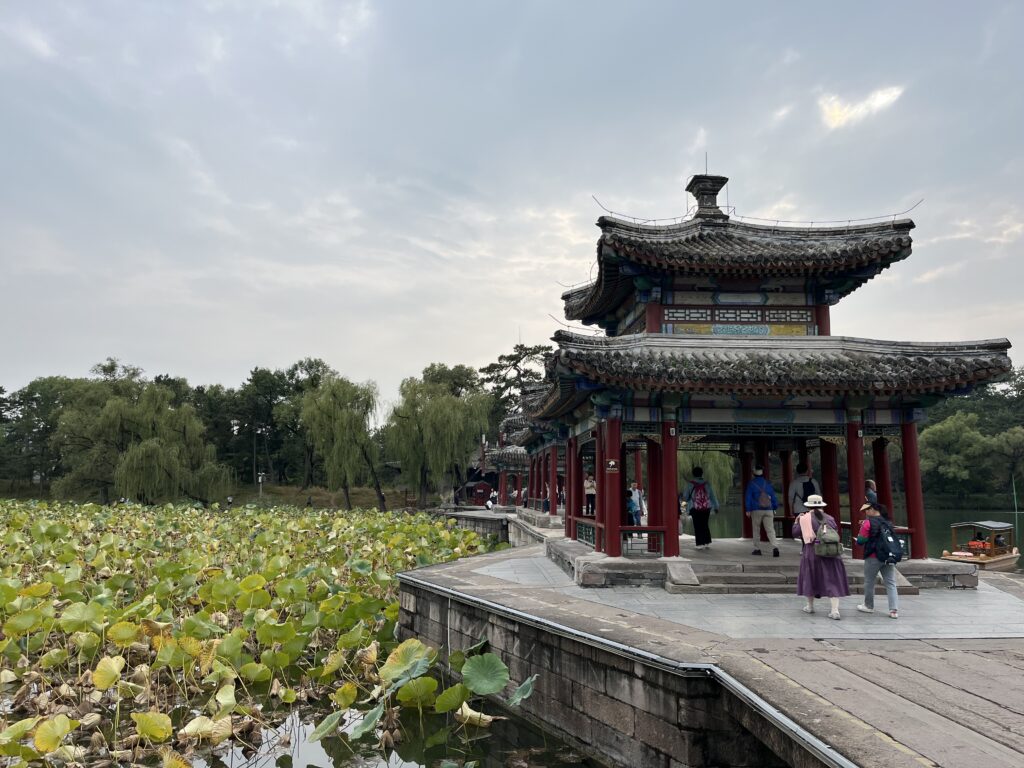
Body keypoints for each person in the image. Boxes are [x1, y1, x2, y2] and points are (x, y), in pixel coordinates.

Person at [792, 494, 849, 619]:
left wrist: (796, 522)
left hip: (811, 552)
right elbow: (835, 532)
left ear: (808, 506)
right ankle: (835, 610)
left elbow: (795, 533)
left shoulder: (804, 518)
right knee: (832, 580)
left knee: (810, 578)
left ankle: (810, 606)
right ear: (821, 505)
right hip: (830, 552)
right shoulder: (830, 518)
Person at [855, 502, 899, 619]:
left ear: (872, 509)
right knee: (890, 582)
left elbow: (860, 541)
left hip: (873, 557)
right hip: (888, 556)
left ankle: (868, 606)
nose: (866, 513)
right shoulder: (888, 522)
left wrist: (862, 530)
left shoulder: (868, 523)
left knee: (869, 581)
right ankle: (893, 610)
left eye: (867, 510)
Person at [744, 467, 779, 557]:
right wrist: (774, 507)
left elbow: (748, 497)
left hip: (756, 509)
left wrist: (748, 509)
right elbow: (773, 497)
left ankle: (757, 549)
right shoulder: (768, 483)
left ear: (753, 474)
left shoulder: (751, 484)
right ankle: (775, 547)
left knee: (756, 529)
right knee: (770, 529)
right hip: (769, 509)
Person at [684, 467, 719, 550]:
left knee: (697, 525)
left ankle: (699, 543)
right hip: (706, 507)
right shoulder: (707, 484)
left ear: (693, 474)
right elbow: (712, 496)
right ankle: (707, 542)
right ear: (702, 474)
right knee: (705, 524)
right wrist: (716, 506)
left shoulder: (690, 484)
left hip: (694, 507)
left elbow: (685, 497)